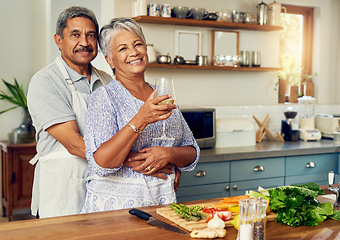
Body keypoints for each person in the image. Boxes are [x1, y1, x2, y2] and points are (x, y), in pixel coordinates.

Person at [81, 18, 200, 213]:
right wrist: (140, 119)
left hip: (161, 204)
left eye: (138, 44)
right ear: (110, 60)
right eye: (123, 48)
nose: (134, 52)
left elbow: (192, 151)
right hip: (114, 211)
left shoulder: (163, 94)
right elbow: (101, 164)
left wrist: (169, 154)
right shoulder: (104, 97)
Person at [27, 6, 113, 218]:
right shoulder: (45, 81)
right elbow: (74, 144)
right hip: (61, 193)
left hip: (104, 189)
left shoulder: (108, 81)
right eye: (75, 35)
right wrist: (129, 161)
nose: (84, 42)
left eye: (90, 35)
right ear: (58, 40)